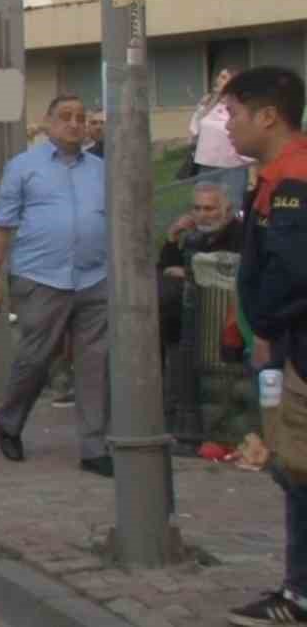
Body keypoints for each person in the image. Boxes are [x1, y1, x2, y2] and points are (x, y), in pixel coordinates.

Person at [0, 95, 111, 476]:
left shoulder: (101, 169)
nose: (74, 123)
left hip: (94, 277)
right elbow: (1, 227)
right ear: (48, 122)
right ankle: (9, 420)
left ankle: (93, 447)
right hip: (41, 278)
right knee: (35, 358)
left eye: (81, 117)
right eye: (65, 116)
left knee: (95, 363)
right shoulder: (23, 167)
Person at [220, 65, 307, 626]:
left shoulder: (294, 179)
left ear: (268, 116)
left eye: (233, 114)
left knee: (298, 469)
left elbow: (293, 271)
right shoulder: (276, 176)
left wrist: (267, 328)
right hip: (285, 344)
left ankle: (299, 595)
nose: (227, 126)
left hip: (296, 350)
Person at [157, 183, 242, 413]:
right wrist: (172, 238)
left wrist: (187, 273)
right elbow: (165, 270)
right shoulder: (195, 236)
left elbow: (231, 273)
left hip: (221, 321)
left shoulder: (239, 234)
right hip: (186, 320)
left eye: (209, 208)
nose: (202, 215)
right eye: (197, 208)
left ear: (227, 210)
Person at [191, 68, 253, 174]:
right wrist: (206, 104)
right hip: (205, 166)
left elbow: (249, 134)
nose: (218, 80)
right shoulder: (209, 103)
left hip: (232, 168)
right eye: (219, 76)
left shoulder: (241, 105)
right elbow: (195, 128)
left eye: (223, 77)